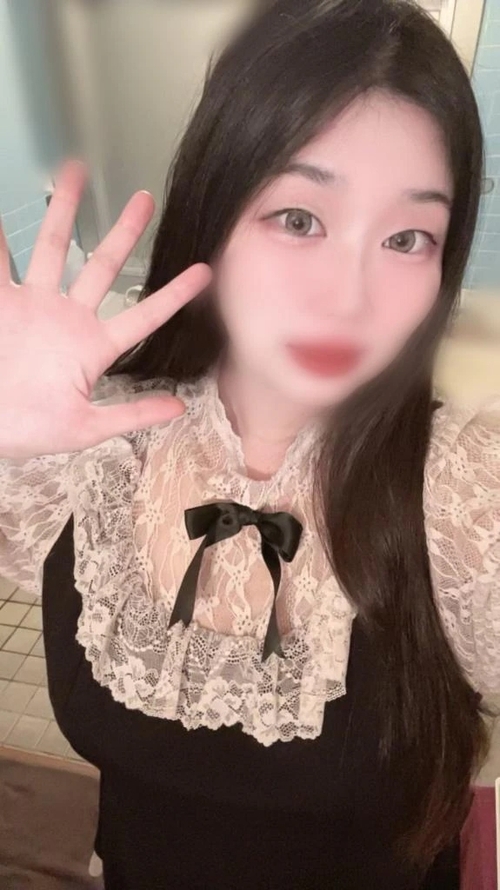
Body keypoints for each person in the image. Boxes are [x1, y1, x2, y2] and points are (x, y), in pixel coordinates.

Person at [0, 0, 499, 887]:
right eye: (300, 218)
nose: (348, 297)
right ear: (213, 207)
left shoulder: (462, 489)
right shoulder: (92, 443)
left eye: (407, 237)